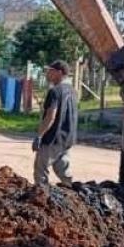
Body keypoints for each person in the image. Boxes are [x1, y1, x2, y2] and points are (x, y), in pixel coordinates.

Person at [33, 60, 77, 188]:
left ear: (59, 72)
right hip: (67, 138)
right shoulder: (72, 91)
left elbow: (50, 116)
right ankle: (73, 192)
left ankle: (41, 197)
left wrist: (39, 136)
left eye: (50, 71)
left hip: (53, 138)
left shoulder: (55, 92)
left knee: (40, 170)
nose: (47, 74)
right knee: (62, 169)